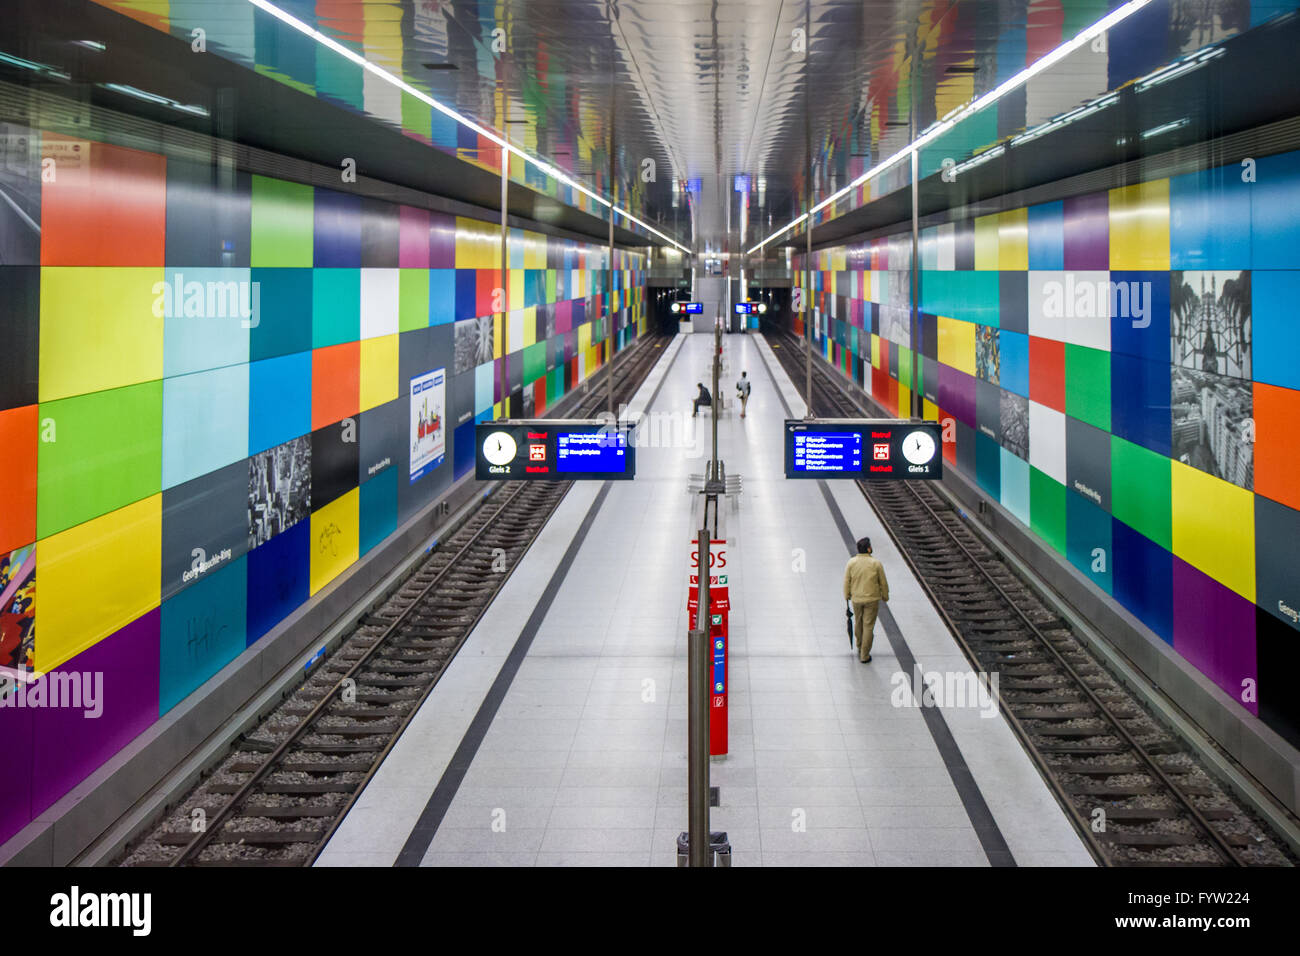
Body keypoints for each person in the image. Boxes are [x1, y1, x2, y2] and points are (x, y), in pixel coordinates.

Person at [843, 537, 889, 662]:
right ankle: (865, 654)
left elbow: (847, 581)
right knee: (868, 626)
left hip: (856, 599)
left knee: (858, 622)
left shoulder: (851, 563)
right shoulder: (876, 563)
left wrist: (847, 595)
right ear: (868, 548)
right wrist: (885, 596)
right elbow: (883, 582)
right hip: (872, 599)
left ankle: (859, 646)